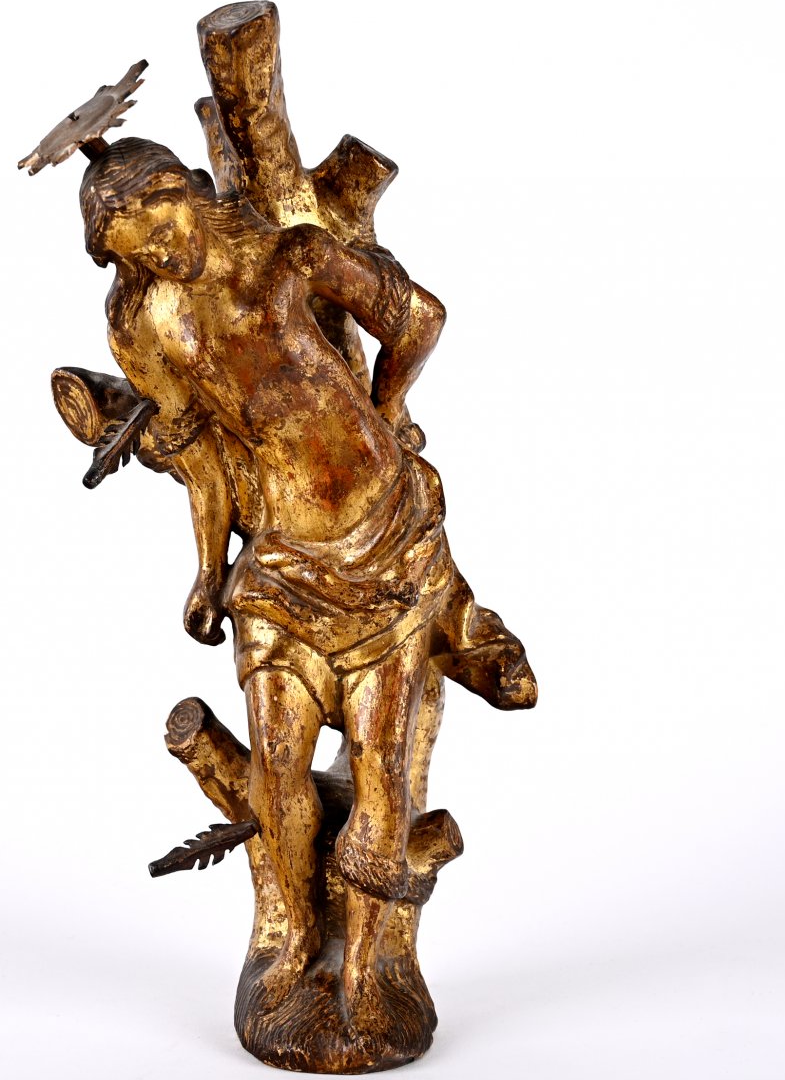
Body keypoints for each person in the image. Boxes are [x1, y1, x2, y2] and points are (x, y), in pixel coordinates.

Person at [80, 137, 536, 1024]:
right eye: (139, 256)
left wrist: (386, 408)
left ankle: (367, 966)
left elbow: (419, 318)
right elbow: (204, 459)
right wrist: (207, 572)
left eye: (161, 229)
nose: (162, 256)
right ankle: (292, 936)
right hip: (280, 565)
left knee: (382, 777)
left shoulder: (291, 255)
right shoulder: (144, 322)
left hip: (386, 544)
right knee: (278, 767)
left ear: (181, 189)